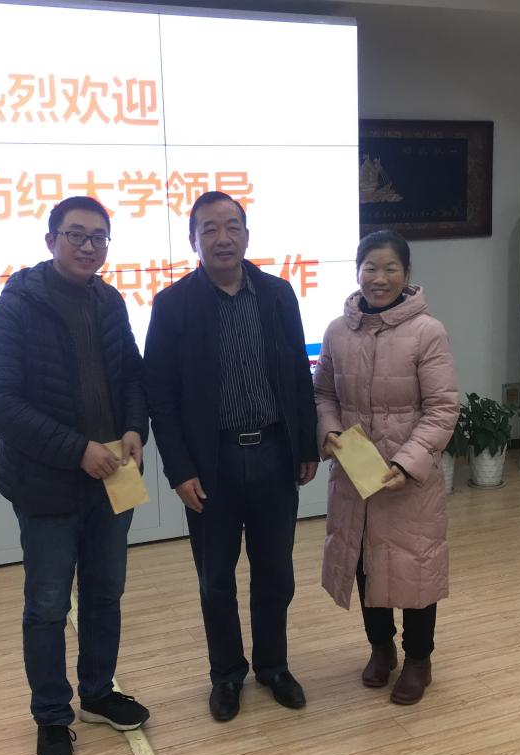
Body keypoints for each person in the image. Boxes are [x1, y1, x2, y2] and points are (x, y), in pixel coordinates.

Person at [0, 196, 150, 755]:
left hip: (114, 479)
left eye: (99, 237)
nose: (88, 246)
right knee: (49, 605)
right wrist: (78, 450)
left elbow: (132, 375)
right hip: (46, 485)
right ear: (51, 239)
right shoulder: (17, 305)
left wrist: (134, 428)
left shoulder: (109, 300)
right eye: (76, 234)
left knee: (105, 594)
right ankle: (52, 715)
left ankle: (97, 693)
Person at [144, 191, 320, 722]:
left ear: (246, 234)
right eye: (210, 229)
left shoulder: (278, 294)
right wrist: (179, 470)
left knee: (276, 573)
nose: (222, 238)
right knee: (215, 580)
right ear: (193, 240)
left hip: (273, 454)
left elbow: (298, 374)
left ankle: (273, 666)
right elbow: (160, 397)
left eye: (232, 227)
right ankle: (226, 675)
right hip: (211, 464)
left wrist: (305, 445)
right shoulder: (172, 305)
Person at [313, 229, 458, 706]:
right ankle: (381, 648)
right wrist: (329, 431)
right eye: (371, 268)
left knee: (415, 566)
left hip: (407, 478)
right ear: (357, 271)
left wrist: (407, 462)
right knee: (363, 561)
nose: (380, 278)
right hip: (355, 475)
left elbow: (442, 408)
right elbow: (324, 394)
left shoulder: (427, 332)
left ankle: (418, 659)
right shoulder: (338, 330)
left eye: (390, 268)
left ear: (406, 273)